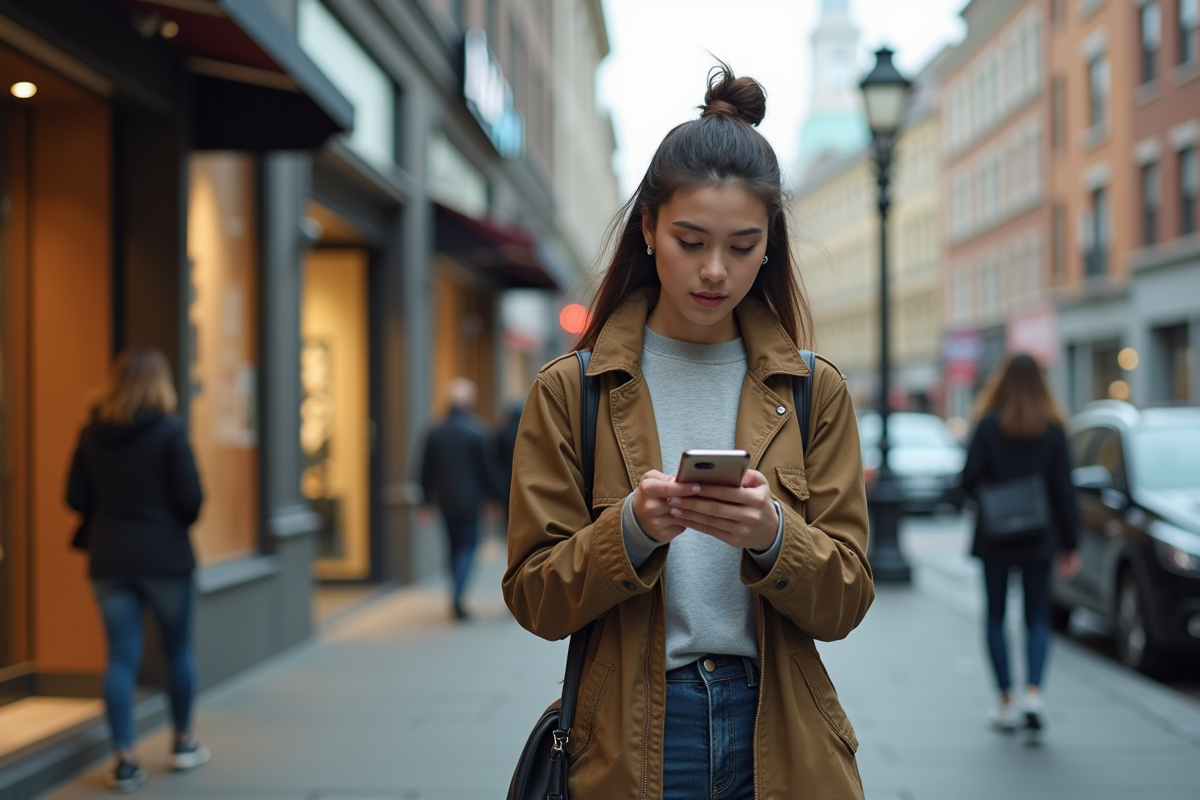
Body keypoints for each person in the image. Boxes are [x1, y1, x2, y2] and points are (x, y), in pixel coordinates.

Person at [503, 64, 873, 800]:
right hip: (631, 732)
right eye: (690, 239)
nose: (714, 270)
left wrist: (772, 533)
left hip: (782, 731)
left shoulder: (812, 390)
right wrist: (631, 530)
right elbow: (533, 598)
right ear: (647, 227)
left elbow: (848, 597)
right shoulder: (570, 390)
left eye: (742, 246)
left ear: (770, 242)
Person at [66, 348, 208, 794]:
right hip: (165, 558)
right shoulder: (170, 432)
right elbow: (192, 500)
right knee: (177, 652)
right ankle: (183, 743)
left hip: (110, 559)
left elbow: (74, 497)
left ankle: (125, 760)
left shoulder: (91, 433)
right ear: (160, 383)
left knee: (121, 657)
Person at [961, 353, 1081, 737]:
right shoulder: (1053, 428)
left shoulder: (988, 425)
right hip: (1040, 537)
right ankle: (1034, 694)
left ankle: (1005, 703)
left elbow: (966, 480)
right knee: (1038, 617)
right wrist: (1070, 545)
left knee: (995, 617)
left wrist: (990, 493)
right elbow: (1065, 491)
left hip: (996, 536)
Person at [420, 377, 497, 621]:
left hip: (445, 499)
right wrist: (493, 499)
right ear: (469, 402)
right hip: (469, 500)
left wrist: (425, 502)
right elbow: (487, 469)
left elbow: (424, 469)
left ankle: (456, 593)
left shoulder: (435, 431)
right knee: (468, 546)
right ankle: (458, 597)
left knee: (453, 547)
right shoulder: (478, 430)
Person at [493, 402, 523, 537]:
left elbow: (495, 460)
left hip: (505, 482)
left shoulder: (502, 433)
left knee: (508, 517)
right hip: (522, 480)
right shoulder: (526, 433)